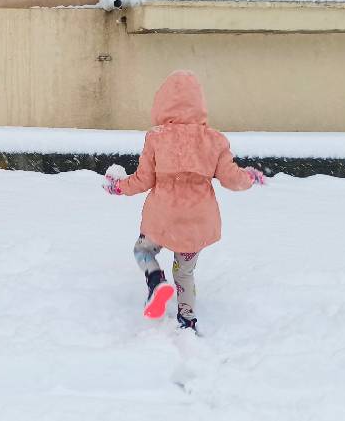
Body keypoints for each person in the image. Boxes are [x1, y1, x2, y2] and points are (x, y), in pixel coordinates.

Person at [104, 70, 265, 332]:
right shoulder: (214, 140)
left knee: (143, 251)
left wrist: (119, 187)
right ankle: (187, 319)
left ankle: (156, 281)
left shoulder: (157, 137)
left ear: (162, 104)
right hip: (197, 221)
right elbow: (232, 179)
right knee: (185, 272)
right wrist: (249, 177)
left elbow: (143, 179)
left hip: (162, 218)